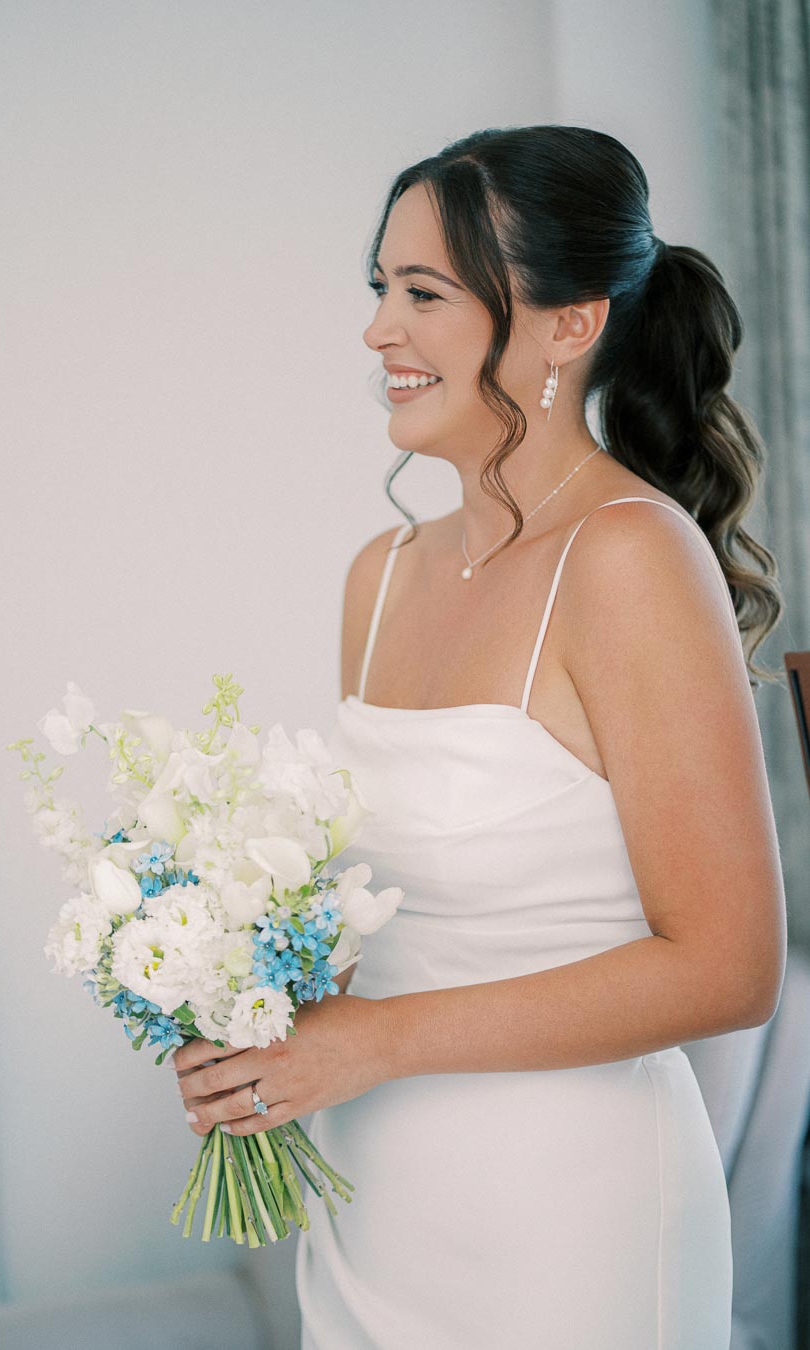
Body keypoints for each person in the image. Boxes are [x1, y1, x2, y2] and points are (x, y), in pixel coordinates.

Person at [172, 125, 788, 1349]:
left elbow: (731, 966)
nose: (379, 331)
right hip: (373, 1213)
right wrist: (254, 1027)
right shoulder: (381, 575)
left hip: (564, 1225)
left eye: (425, 293)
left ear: (572, 323)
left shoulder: (629, 556)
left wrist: (373, 1044)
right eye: (380, 291)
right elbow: (377, 915)